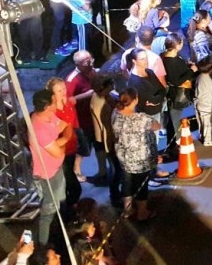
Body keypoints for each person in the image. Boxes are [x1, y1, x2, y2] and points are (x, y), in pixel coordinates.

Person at [29, 89, 73, 245]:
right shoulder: (39, 128)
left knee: (60, 203)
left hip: (55, 170)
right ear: (47, 105)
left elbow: (64, 125)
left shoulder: (48, 117)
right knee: (48, 212)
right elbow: (57, 152)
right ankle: (43, 247)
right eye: (54, 102)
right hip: (46, 176)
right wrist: (64, 140)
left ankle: (59, 239)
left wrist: (61, 141)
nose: (57, 104)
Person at [112, 88, 161, 221]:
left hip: (123, 156)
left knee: (127, 182)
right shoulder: (141, 118)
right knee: (141, 185)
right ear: (135, 100)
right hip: (140, 158)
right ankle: (142, 212)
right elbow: (157, 126)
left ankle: (127, 209)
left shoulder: (115, 114)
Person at [46, 78, 83, 212]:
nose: (63, 92)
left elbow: (73, 123)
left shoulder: (69, 104)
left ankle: (69, 209)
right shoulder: (50, 109)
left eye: (64, 89)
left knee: (68, 180)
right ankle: (66, 209)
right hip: (59, 150)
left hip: (71, 146)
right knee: (71, 183)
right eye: (59, 90)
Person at [89, 75, 122, 208]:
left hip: (110, 139)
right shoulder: (101, 103)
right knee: (117, 170)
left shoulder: (104, 97)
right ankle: (115, 196)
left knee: (117, 169)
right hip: (110, 140)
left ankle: (117, 194)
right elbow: (108, 125)